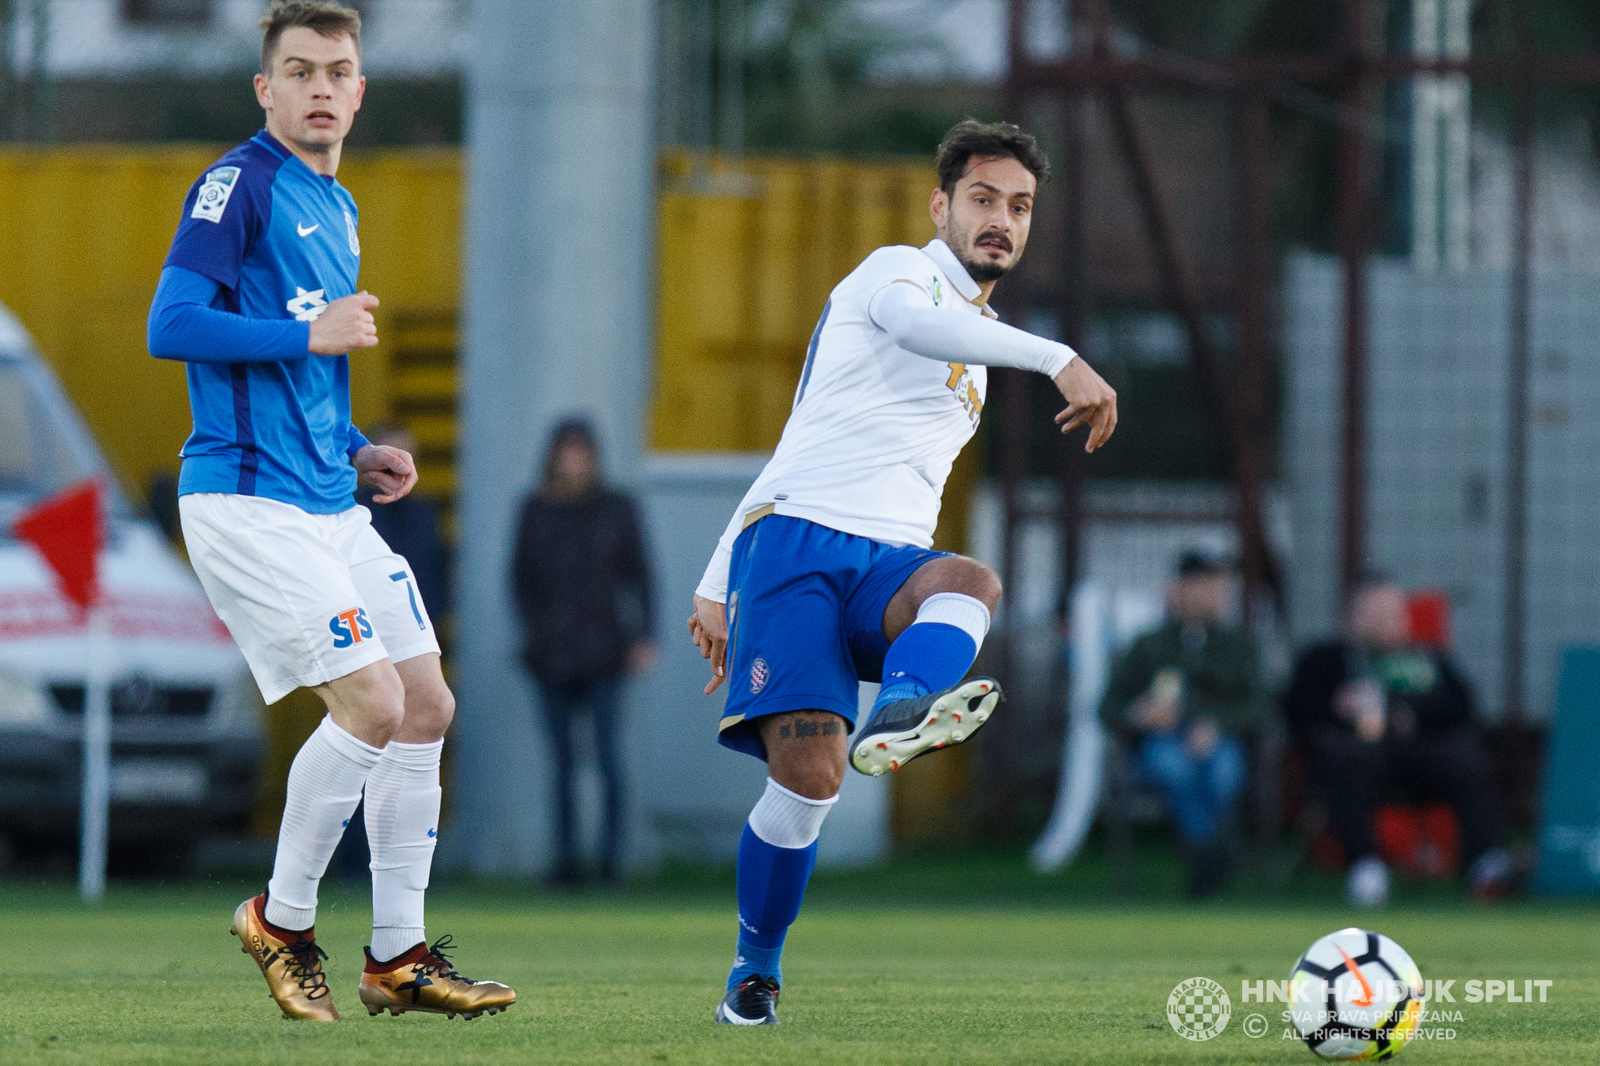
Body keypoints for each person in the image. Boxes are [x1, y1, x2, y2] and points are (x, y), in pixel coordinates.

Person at [687, 119, 1119, 1025]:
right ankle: (753, 973)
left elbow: (811, 424)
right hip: (796, 549)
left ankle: (904, 712)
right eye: (984, 200)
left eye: (1020, 206)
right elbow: (910, 340)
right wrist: (717, 578)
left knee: (971, 582)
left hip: (889, 563)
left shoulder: (985, 344)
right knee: (808, 779)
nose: (1001, 220)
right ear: (941, 206)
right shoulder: (897, 272)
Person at [145, 1, 512, 1022]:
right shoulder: (237, 184)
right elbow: (170, 323)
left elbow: (308, 371)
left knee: (427, 705)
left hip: (323, 496)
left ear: (359, 90)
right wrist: (308, 338)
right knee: (372, 705)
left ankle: (397, 956)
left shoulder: (337, 204)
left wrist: (358, 450)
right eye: (297, 70)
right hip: (245, 499)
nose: (317, 86)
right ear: (266, 90)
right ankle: (281, 917)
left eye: (335, 70)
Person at [1283, 575, 1513, 906]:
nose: (1382, 624)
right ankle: (1365, 868)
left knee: (1466, 760)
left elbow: (1462, 706)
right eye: (1372, 614)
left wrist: (1412, 716)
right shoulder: (1325, 659)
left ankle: (1483, 867)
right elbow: (1296, 708)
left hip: (1419, 755)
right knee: (1345, 759)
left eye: (1390, 614)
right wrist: (1337, 706)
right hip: (1357, 759)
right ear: (1352, 618)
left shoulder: (1426, 660)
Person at [511, 418, 655, 885]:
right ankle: (566, 864)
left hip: (606, 650)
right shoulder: (535, 508)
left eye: (581, 452)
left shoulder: (617, 508)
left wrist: (644, 637)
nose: (574, 462)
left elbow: (642, 576)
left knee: (609, 757)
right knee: (562, 764)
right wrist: (533, 632)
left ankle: (611, 864)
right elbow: (519, 579)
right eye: (566, 452)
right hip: (551, 655)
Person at [1099, 552, 1267, 897]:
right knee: (1174, 769)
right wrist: (1139, 713)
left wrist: (1215, 723)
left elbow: (1259, 703)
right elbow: (1108, 706)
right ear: (1179, 589)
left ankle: (1205, 854)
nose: (1213, 596)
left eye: (1217, 588)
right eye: (1204, 587)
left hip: (1218, 740)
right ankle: (1212, 852)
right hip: (1162, 742)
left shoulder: (1237, 645)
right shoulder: (1150, 645)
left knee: (1224, 773)